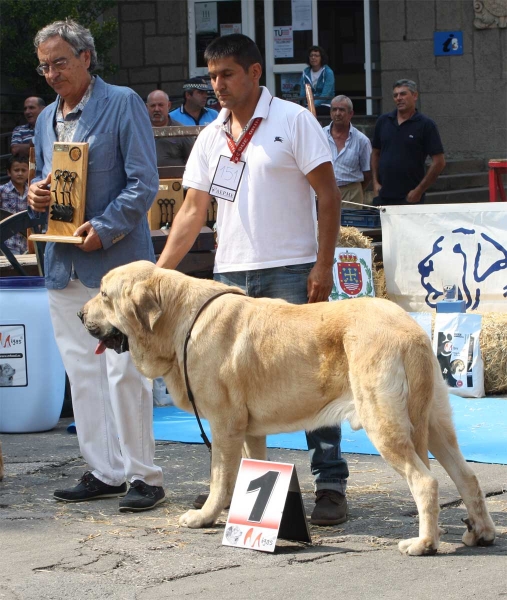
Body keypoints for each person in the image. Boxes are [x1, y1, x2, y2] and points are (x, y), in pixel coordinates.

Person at [157, 33, 349, 526]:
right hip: (229, 279)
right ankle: (252, 499)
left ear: (255, 72)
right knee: (233, 388)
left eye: (227, 75)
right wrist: (157, 274)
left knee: (317, 376)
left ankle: (330, 483)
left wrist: (323, 264)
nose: (217, 85)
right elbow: (193, 211)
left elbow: (329, 197)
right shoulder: (209, 134)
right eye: (212, 76)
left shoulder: (293, 119)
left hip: (291, 267)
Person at [27, 18, 165, 512]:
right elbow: (49, 180)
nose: (52, 73)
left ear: (87, 58)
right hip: (62, 264)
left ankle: (144, 476)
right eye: (44, 66)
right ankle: (104, 470)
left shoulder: (123, 102)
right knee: (81, 374)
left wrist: (104, 227)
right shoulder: (45, 119)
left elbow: (143, 182)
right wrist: (35, 192)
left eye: (60, 62)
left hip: (117, 269)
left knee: (126, 372)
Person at [371, 79, 445, 205]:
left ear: (415, 96)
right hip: (383, 195)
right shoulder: (383, 121)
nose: (399, 98)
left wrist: (419, 190)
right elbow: (375, 153)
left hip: (410, 198)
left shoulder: (426, 125)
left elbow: (439, 162)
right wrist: (375, 182)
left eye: (403, 94)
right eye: (395, 95)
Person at [323, 95, 372, 208]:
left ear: (351, 114)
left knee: (350, 226)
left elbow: (368, 174)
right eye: (334, 109)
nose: (337, 113)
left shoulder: (361, 140)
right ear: (330, 113)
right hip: (324, 191)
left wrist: (355, 190)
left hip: (352, 193)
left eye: (342, 110)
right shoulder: (320, 135)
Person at [146, 89, 194, 170]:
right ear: (147, 107)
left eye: (161, 105)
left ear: (168, 105)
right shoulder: (138, 131)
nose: (156, 109)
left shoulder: (182, 132)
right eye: (153, 106)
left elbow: (193, 163)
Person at [0, 154, 29, 254]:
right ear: (9, 172)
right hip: (7, 244)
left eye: (24, 170)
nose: (20, 173)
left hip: (26, 245)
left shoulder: (32, 192)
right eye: (16, 170)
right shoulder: (2, 191)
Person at [299, 46, 335, 116]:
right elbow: (303, 92)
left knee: (308, 114)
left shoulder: (328, 72)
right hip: (308, 105)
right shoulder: (306, 72)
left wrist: (311, 106)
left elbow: (325, 95)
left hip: (325, 104)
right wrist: (300, 105)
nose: (313, 58)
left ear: (321, 58)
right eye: (311, 55)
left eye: (316, 55)